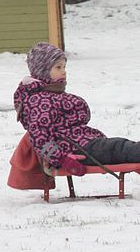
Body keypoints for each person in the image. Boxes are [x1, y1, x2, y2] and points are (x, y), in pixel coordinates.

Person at [14, 42, 140, 172]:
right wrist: (62, 160)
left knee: (119, 148)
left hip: (82, 144)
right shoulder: (40, 101)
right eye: (58, 67)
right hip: (75, 150)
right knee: (118, 148)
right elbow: (40, 137)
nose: (64, 71)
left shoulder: (50, 94)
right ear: (43, 71)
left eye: (64, 67)